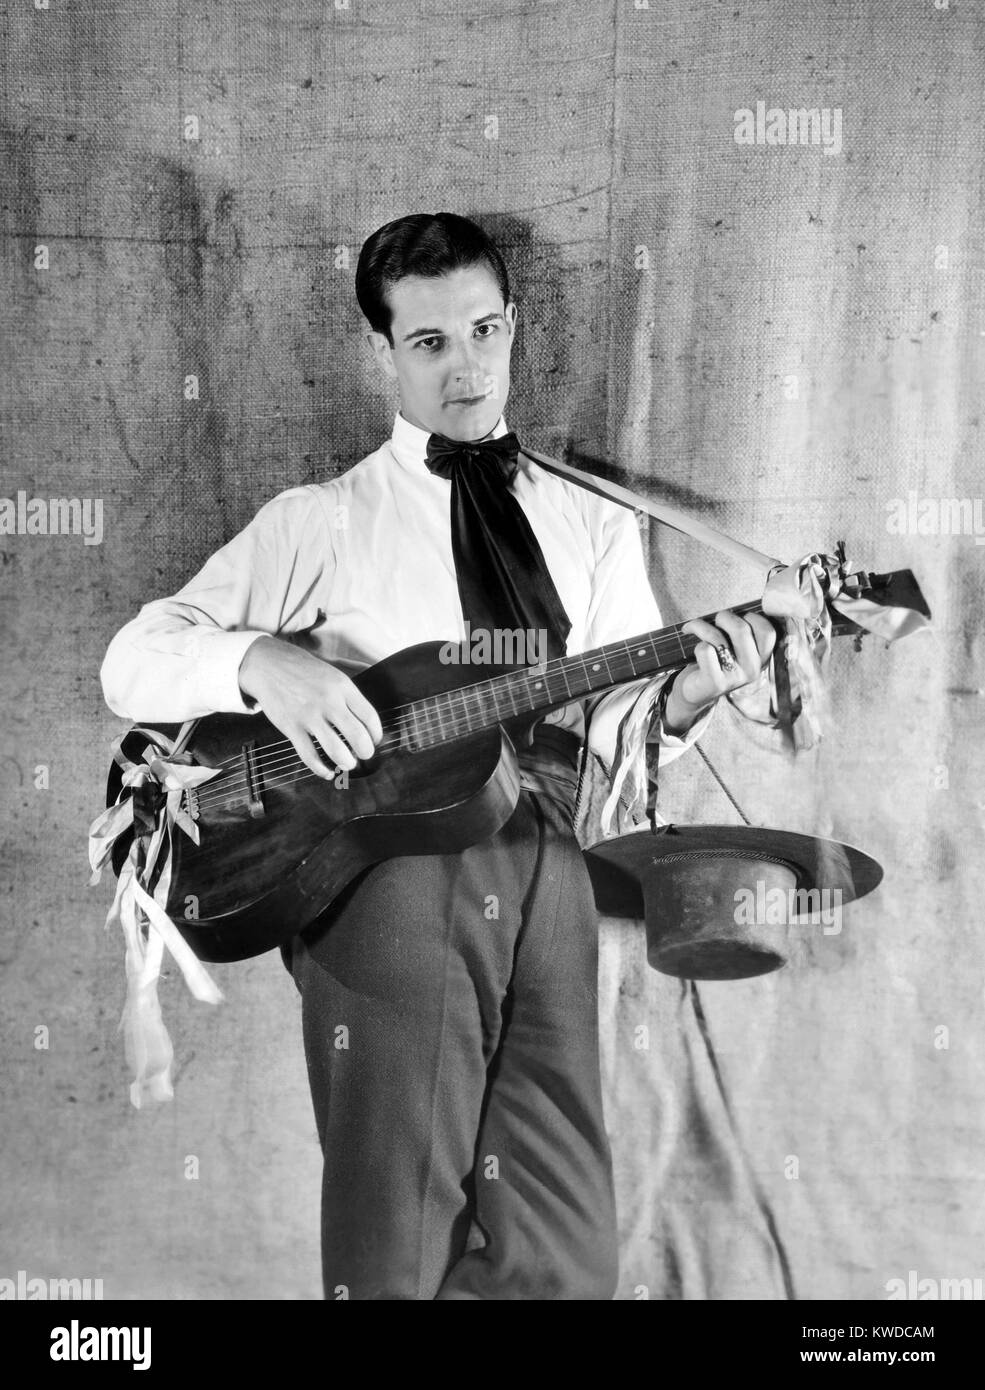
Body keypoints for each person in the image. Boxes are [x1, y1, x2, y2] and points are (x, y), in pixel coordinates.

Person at [101, 212, 775, 1300]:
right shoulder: (319, 521)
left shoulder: (589, 523)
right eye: (429, 342)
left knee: (562, 1251)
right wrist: (265, 661)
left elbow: (610, 732)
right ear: (382, 352)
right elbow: (133, 661)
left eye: (484, 330)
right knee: (399, 1235)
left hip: (551, 868)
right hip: (388, 880)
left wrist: (698, 684)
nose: (466, 368)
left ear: (512, 328)